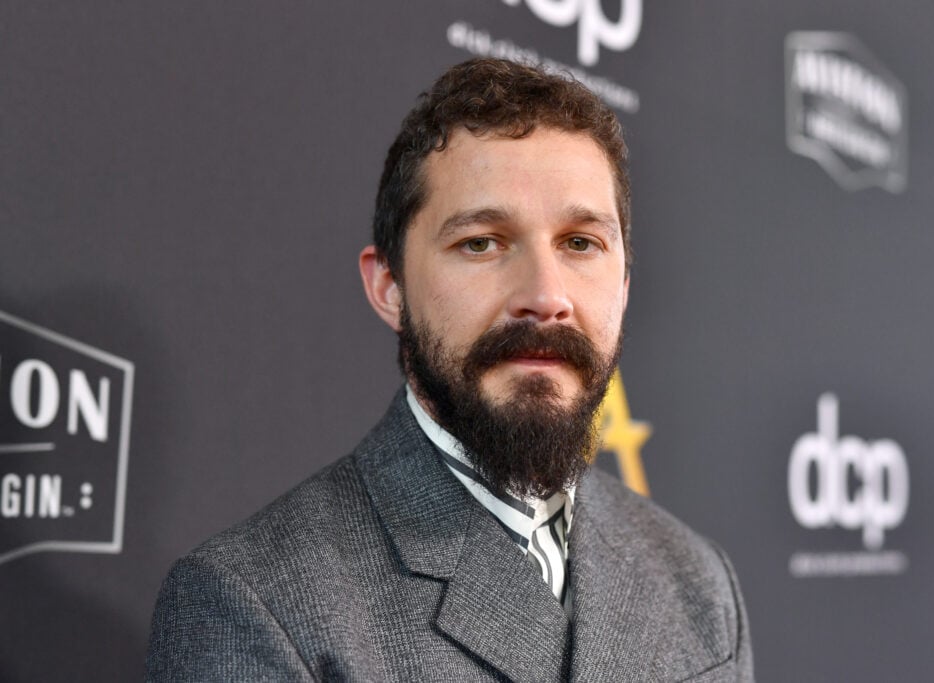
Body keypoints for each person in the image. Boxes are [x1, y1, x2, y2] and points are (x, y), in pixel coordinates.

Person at [146, 57, 753, 682]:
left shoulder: (700, 581)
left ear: (623, 287)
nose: (545, 296)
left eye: (580, 243)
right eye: (481, 242)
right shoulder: (254, 604)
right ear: (389, 286)